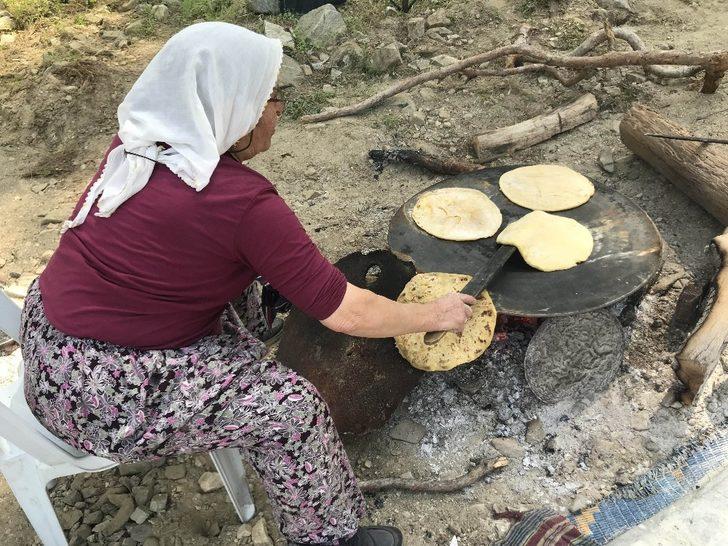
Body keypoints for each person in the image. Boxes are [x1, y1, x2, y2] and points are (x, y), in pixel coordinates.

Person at [20, 23, 475, 546]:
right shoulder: (241, 202)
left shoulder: (136, 145)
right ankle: (330, 538)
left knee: (241, 279)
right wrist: (435, 314)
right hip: (102, 396)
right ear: (235, 109)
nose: (279, 109)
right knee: (291, 409)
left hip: (51, 344)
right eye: (270, 96)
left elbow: (186, 243)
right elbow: (346, 312)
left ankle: (255, 335)